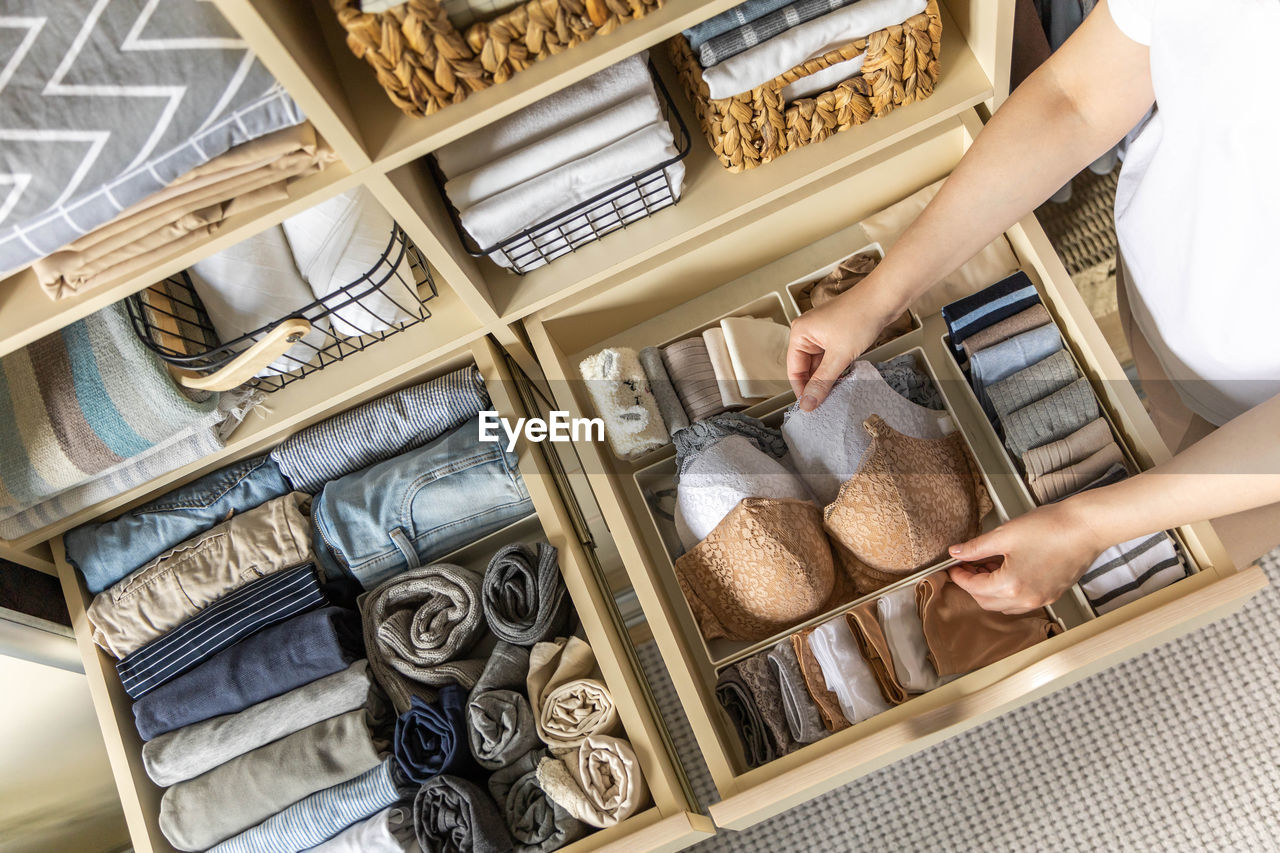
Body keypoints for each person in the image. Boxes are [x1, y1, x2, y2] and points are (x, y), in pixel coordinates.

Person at [785, 0, 1280, 614]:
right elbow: (1077, 99)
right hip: (1166, 284)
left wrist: (1089, 525)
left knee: (1196, 553)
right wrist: (882, 295)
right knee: (1165, 417)